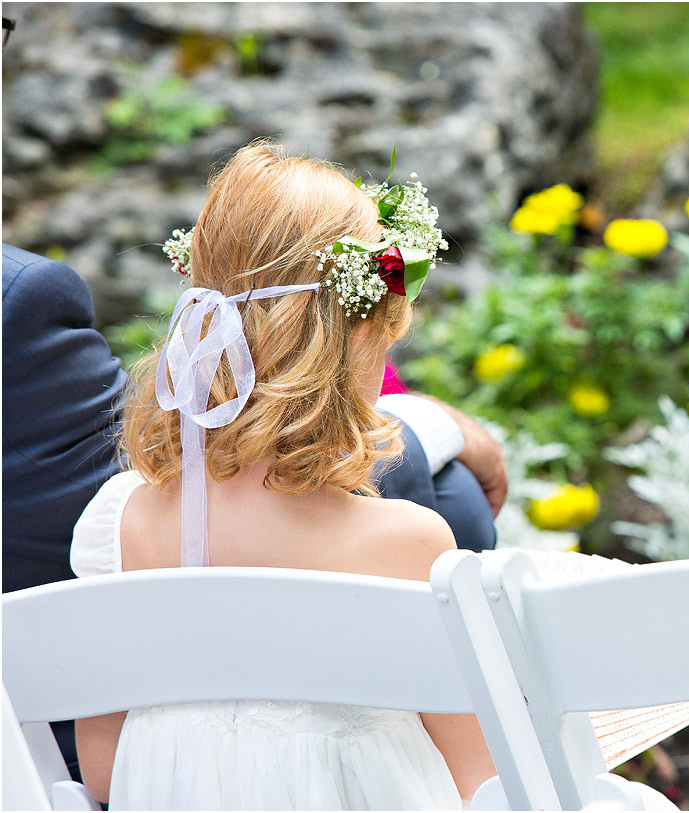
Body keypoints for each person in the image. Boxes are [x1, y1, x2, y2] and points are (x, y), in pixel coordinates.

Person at [69, 142, 496, 809]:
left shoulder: (119, 523)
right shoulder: (404, 545)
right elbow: (484, 782)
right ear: (356, 341)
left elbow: (102, 773)